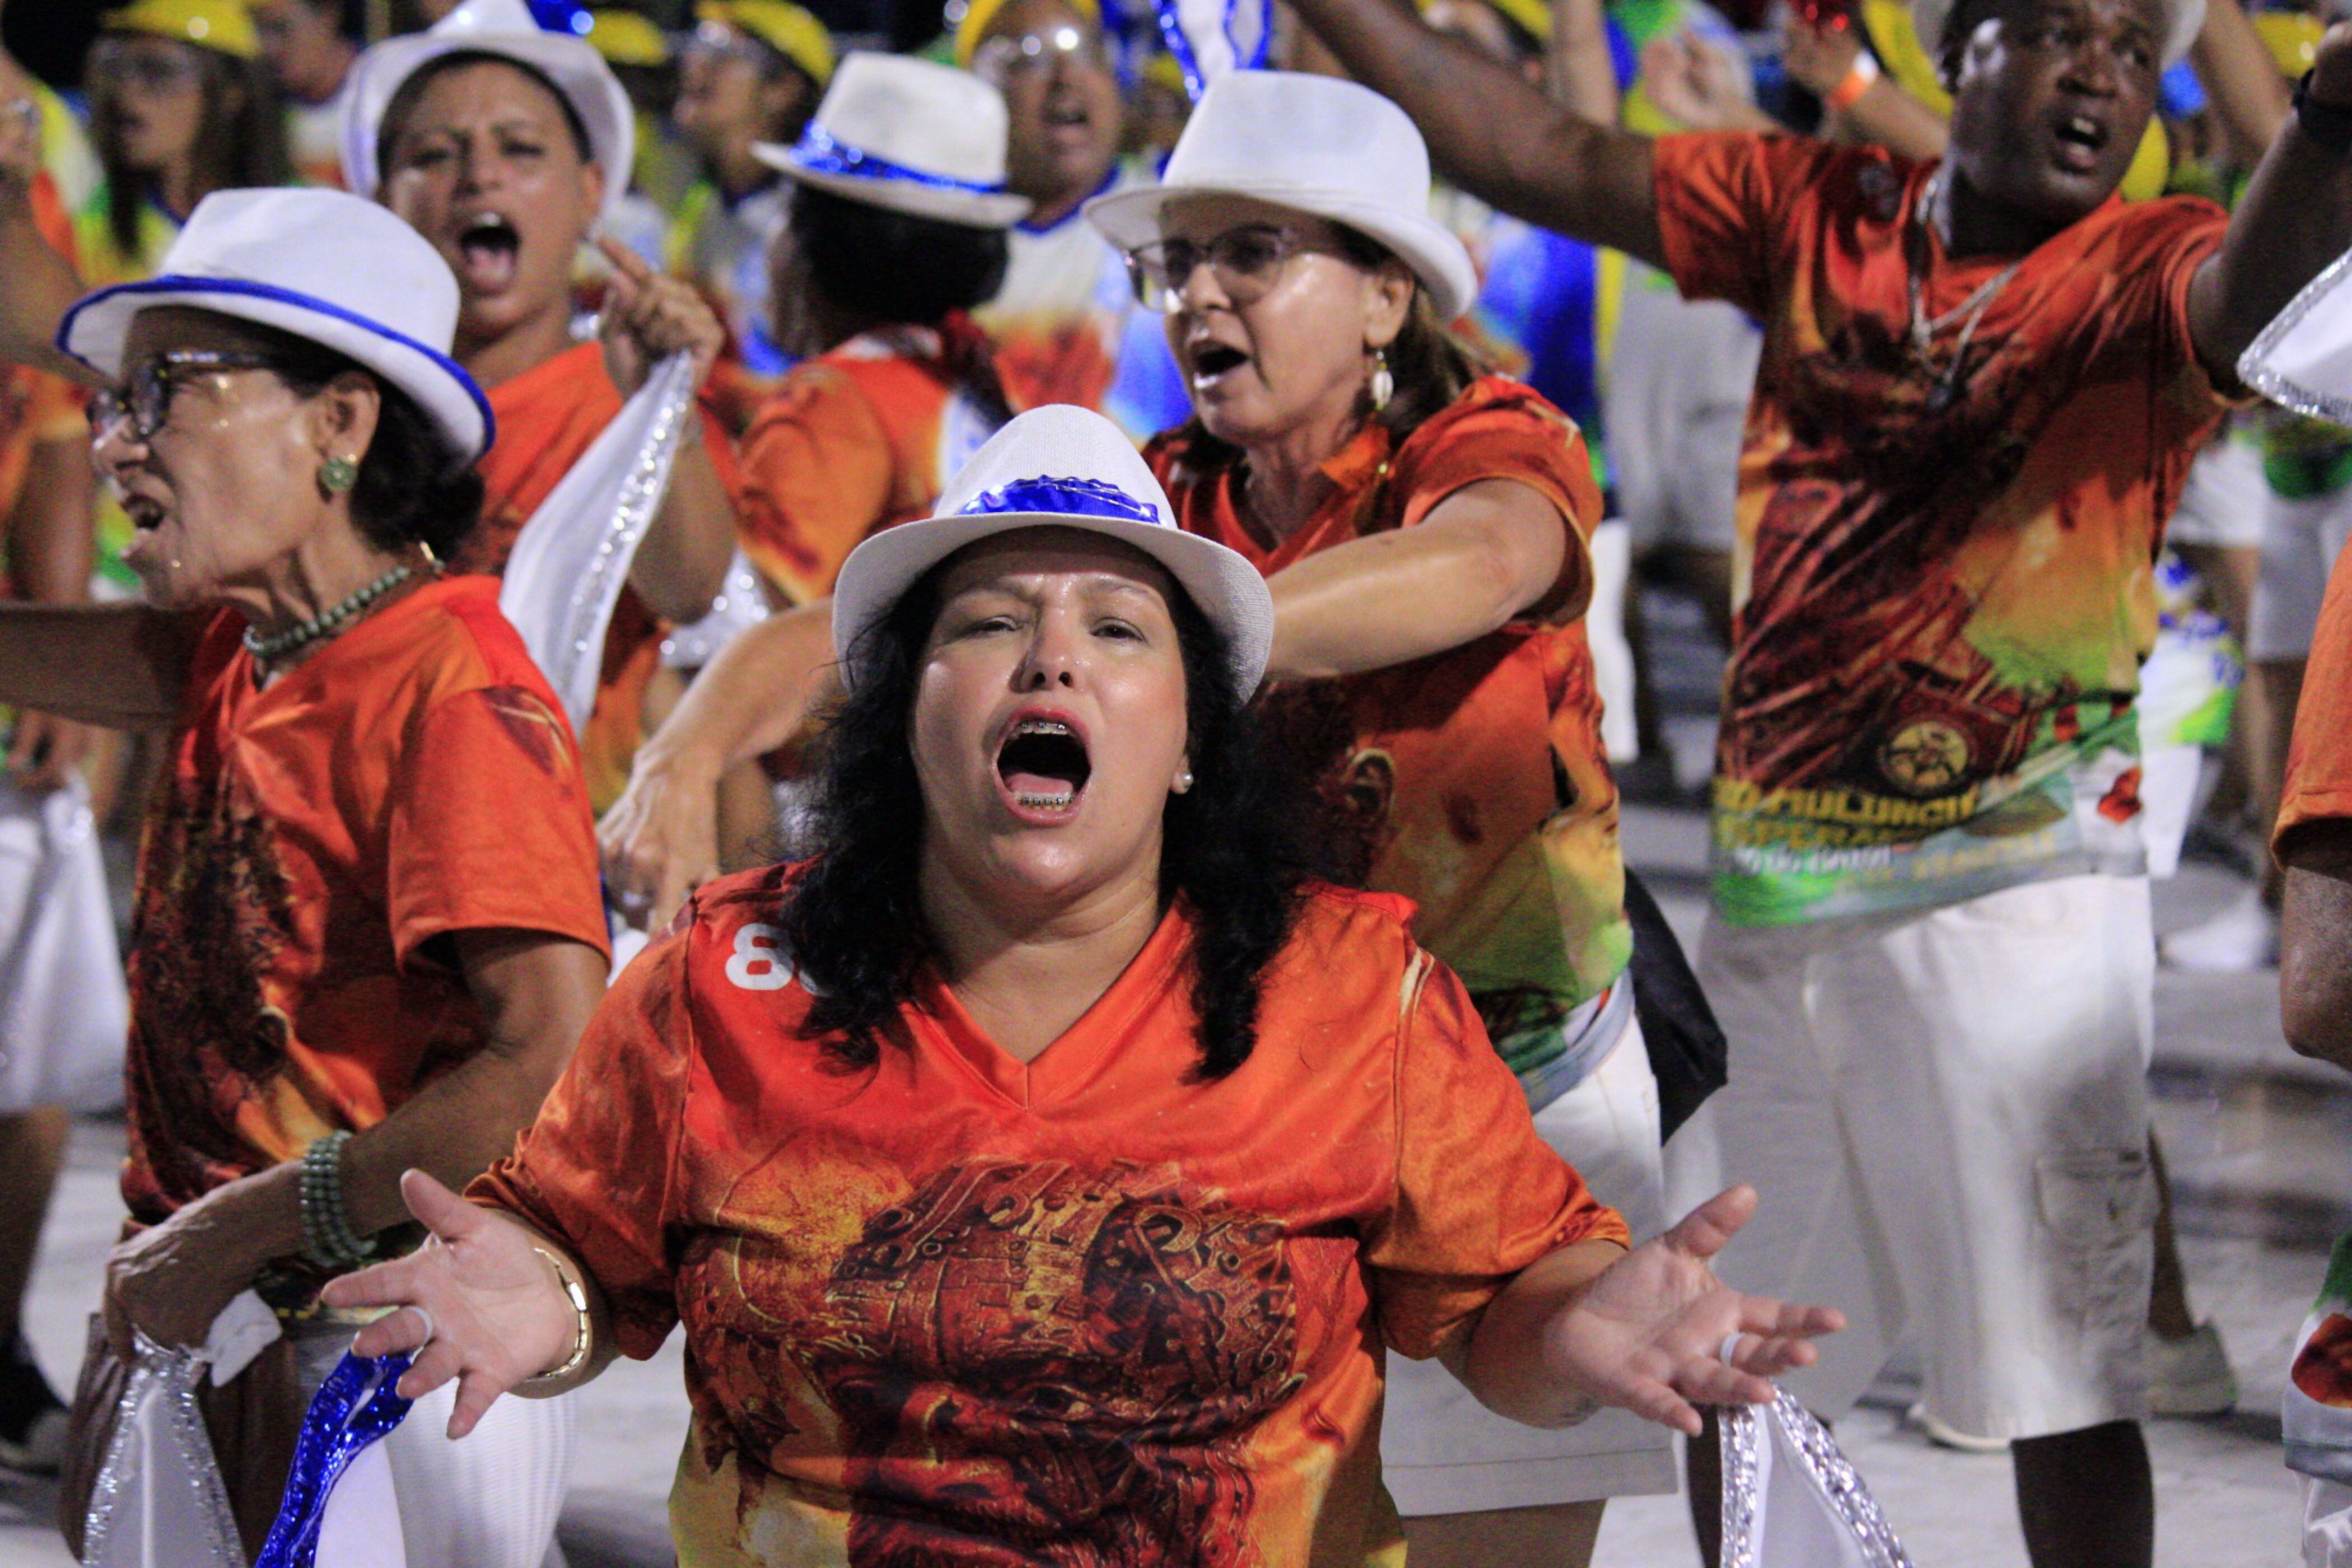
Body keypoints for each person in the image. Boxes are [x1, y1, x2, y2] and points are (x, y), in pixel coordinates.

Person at [321, 401, 1841, 1566]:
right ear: (905, 714)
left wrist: (1584, 1331)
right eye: (987, 625)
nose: (1051, 660)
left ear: (1188, 743)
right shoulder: (720, 979)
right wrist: (540, 1302)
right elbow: (575, 1256)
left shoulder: (1354, 988)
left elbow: (1507, 1303)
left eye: (1118, 631)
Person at [1277, 0, 2352, 1561]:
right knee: (1737, 1355)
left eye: (2135, 45)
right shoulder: (1814, 210)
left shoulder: (2150, 262)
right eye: (2056, 30)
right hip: (1781, 901)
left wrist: (2325, 118)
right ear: (1954, 52)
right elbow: (1545, 149)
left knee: (2060, 1387)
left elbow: (2249, 306)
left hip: (2021, 907)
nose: (2101, 71)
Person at [1079, 68, 1670, 1567]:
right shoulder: (1158, 497)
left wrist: (1189, 635)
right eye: (1176, 263)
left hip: (1531, 1100)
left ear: (1388, 298)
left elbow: (1476, 568)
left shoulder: (1495, 441)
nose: (1197, 294)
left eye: (1253, 254)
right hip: (1272, 1120)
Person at [12, 187, 610, 1561]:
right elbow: (89, 658)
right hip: (205, 1306)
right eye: (109, 403)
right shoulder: (246, 645)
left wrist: (250, 1233)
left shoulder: (454, 691)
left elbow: (549, 1058)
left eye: (161, 393)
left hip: (366, 1356)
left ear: (339, 425)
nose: (114, 443)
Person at [342, 0, 740, 812]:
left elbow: (690, 589)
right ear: (384, 197)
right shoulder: (337, 408)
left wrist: (657, 408)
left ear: (592, 192)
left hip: (564, 866)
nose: (479, 175)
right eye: (433, 155)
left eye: (521, 150)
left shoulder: (624, 394)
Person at [733, 53, 1022, 611]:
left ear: (816, 244)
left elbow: (748, 641)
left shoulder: (832, 405)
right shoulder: (975, 377)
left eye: (787, 212)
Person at [958, 0, 1191, 439]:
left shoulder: (1175, 215)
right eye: (1030, 58)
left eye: (1087, 52)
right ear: (976, 92)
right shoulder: (939, 237)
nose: (1065, 79)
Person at [668, 0, 835, 432]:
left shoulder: (816, 222)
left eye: (724, 53)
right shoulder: (700, 204)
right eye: (697, 46)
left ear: (783, 90)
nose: (696, 66)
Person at [73, 0, 289, 291]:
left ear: (231, 92)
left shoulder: (299, 215)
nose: (128, 91)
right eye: (116, 68)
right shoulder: (90, 227)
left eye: (158, 71)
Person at [250, 0, 361, 189]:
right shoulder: (259, 111)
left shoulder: (385, 90)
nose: (270, 47)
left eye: (281, 28)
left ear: (328, 16)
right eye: (260, 31)